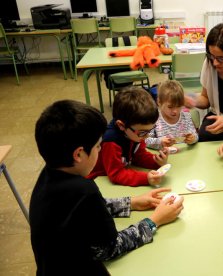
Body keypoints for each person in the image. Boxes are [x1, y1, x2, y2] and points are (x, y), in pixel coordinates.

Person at [30, 100, 184, 275]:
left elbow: (83, 212)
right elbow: (110, 249)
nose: (100, 150)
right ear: (79, 154)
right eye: (97, 146)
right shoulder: (84, 190)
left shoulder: (49, 174)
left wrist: (131, 202)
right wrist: (154, 220)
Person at [87, 86, 169, 187]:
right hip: (98, 182)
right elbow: (116, 174)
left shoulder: (135, 133)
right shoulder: (110, 142)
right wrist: (146, 178)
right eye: (143, 132)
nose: (147, 136)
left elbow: (139, 157)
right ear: (121, 125)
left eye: (150, 130)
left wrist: (157, 161)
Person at [145, 80, 198, 150]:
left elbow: (195, 135)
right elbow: (145, 140)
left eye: (179, 106)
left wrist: (193, 139)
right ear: (159, 102)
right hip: (164, 157)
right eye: (170, 107)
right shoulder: (155, 119)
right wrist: (159, 141)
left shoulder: (186, 117)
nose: (175, 111)